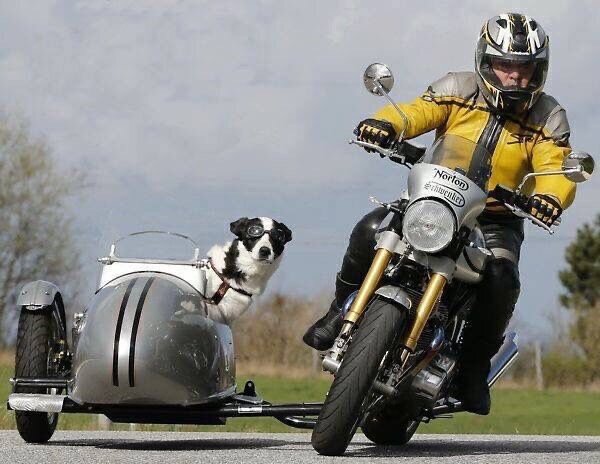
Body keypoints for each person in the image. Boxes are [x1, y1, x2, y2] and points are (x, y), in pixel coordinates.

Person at [303, 13, 576, 415]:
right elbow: (414, 113)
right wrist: (384, 124)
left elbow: (555, 168)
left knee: (502, 278)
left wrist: (549, 197)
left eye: (525, 68)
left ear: (540, 69)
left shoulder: (548, 116)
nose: (515, 76)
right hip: (436, 198)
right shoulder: (457, 88)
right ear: (485, 61)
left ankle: (472, 369)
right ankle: (338, 309)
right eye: (505, 64)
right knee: (369, 229)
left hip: (495, 217)